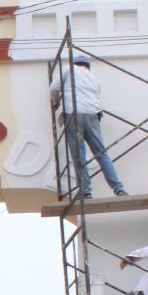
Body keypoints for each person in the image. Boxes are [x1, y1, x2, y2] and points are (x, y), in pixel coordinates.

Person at [51, 55, 126, 198]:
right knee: (101, 153)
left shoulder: (68, 69)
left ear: (75, 63)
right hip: (93, 115)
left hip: (74, 114)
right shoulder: (94, 79)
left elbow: (54, 88)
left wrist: (56, 103)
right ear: (87, 66)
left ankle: (86, 191)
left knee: (79, 155)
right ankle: (118, 189)